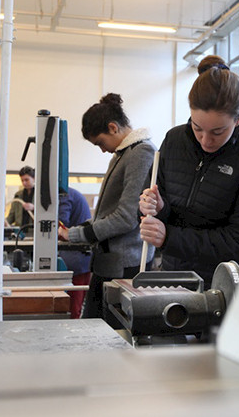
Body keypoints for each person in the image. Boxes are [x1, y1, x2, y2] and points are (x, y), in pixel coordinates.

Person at [138, 55, 239, 288]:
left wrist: (169, 238)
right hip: (176, 278)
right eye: (197, 127)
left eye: (218, 131)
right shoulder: (173, 140)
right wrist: (157, 208)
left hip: (226, 285)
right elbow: (148, 207)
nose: (205, 140)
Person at [58, 93, 155, 322]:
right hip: (109, 262)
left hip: (125, 266)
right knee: (94, 329)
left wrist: (74, 234)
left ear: (113, 127)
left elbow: (125, 217)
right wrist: (73, 233)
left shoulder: (141, 152)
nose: (102, 150)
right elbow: (106, 214)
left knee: (111, 334)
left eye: (100, 143)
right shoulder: (124, 154)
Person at [57, 187, 93, 319]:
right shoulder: (71, 194)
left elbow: (60, 224)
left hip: (74, 259)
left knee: (72, 308)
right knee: (78, 305)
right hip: (83, 258)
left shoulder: (64, 196)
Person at [5, 165, 35, 235]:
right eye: (22, 180)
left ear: (34, 178)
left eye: (26, 180)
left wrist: (34, 208)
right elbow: (11, 216)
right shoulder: (18, 195)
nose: (24, 183)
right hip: (19, 233)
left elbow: (46, 214)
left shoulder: (41, 195)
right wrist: (3, 222)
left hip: (34, 233)